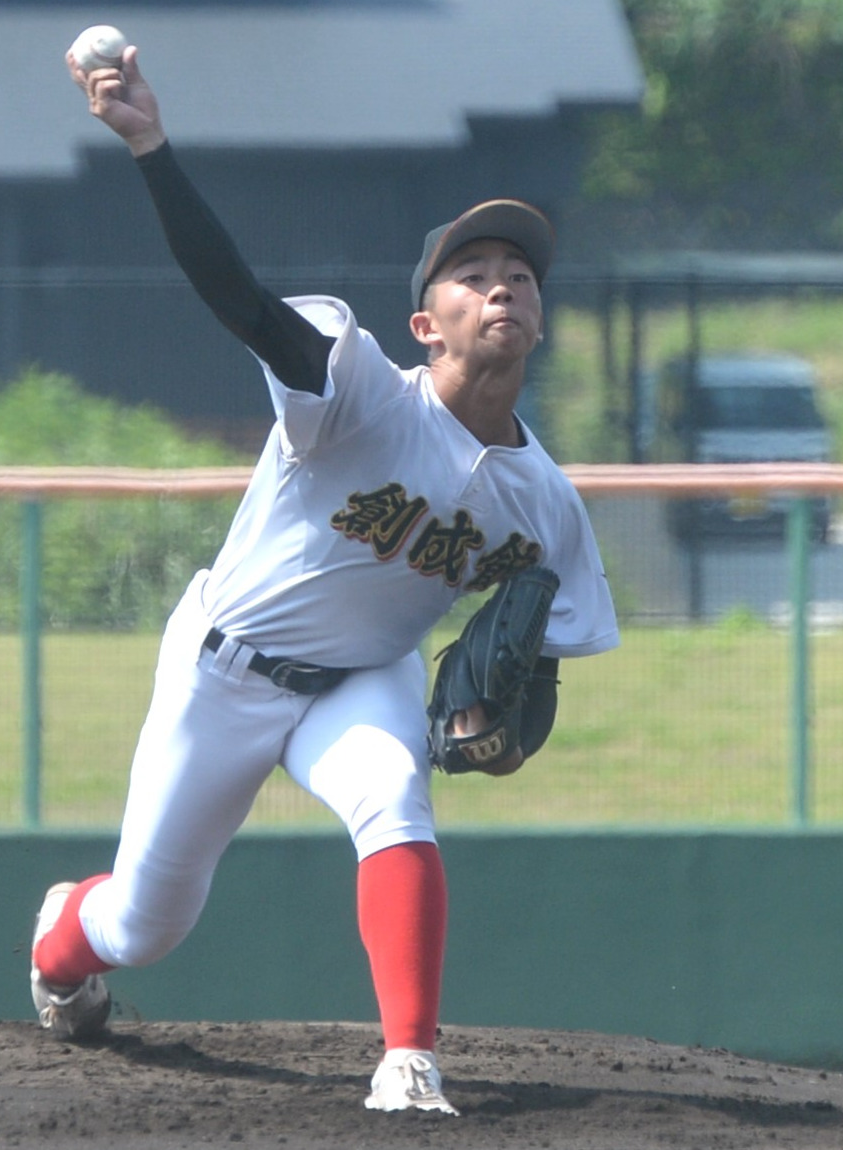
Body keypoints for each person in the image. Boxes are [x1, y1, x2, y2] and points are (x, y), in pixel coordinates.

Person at [31, 40, 620, 1117]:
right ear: (424, 325)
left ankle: (409, 1060)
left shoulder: (547, 505)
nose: (501, 285)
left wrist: (501, 713)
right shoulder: (356, 389)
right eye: (473, 274)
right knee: (145, 925)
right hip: (225, 670)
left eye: (520, 275)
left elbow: (536, 652)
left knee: (395, 799)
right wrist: (151, 146)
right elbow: (243, 303)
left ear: (539, 316)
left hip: (363, 676)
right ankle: (61, 945)